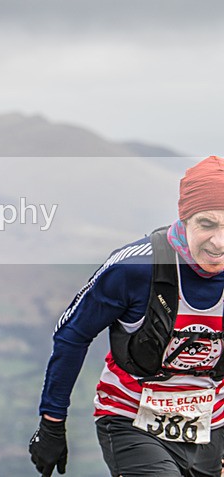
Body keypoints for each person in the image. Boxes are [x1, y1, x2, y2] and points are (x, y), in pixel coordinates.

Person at [29, 156, 224, 477]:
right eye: (206, 224)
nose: (218, 242)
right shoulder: (134, 268)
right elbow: (72, 334)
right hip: (131, 421)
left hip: (211, 426)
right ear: (185, 218)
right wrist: (52, 423)